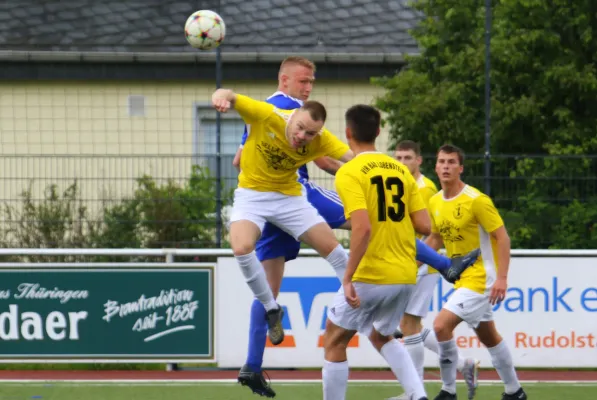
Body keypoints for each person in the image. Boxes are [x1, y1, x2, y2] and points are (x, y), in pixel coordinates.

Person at [234, 57, 480, 398]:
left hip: (263, 202)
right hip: (293, 195)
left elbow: (238, 157)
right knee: (374, 221)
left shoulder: (261, 113)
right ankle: (444, 265)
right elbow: (321, 157)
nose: (308, 89)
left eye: (311, 83)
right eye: (303, 82)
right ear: (285, 79)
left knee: (269, 291)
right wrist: (358, 168)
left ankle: (251, 364)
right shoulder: (290, 111)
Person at [211, 88, 354, 352]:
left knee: (334, 252)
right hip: (252, 197)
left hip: (290, 199)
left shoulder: (321, 140)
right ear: (293, 116)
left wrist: (381, 168)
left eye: (310, 134)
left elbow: (354, 160)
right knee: (241, 248)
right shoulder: (267, 115)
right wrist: (219, 98)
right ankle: (271, 308)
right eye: (300, 128)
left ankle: (368, 309)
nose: (302, 137)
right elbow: (228, 93)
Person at [322, 104, 430, 400]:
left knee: (333, 339)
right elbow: (424, 224)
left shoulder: (350, 172)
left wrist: (348, 277)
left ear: (347, 133)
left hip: (373, 273)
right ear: (379, 132)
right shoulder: (401, 170)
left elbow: (362, 228)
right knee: (381, 334)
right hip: (406, 274)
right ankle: (418, 395)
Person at [426, 145, 527, 400]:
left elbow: (502, 237)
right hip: (463, 280)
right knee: (489, 335)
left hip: (483, 277)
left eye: (451, 162)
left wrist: (502, 278)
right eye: (441, 162)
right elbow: (436, 238)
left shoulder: (476, 200)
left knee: (440, 327)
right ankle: (515, 392)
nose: (446, 166)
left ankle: (448, 391)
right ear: (436, 167)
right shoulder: (435, 201)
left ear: (461, 168)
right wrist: (410, 263)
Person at [389, 141, 479, 400]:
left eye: (408, 157)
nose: (402, 162)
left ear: (419, 161)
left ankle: (414, 392)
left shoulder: (425, 189)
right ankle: (462, 364)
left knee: (408, 325)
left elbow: (432, 231)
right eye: (398, 158)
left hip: (422, 264)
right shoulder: (402, 185)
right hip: (408, 262)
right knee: (408, 325)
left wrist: (416, 261)